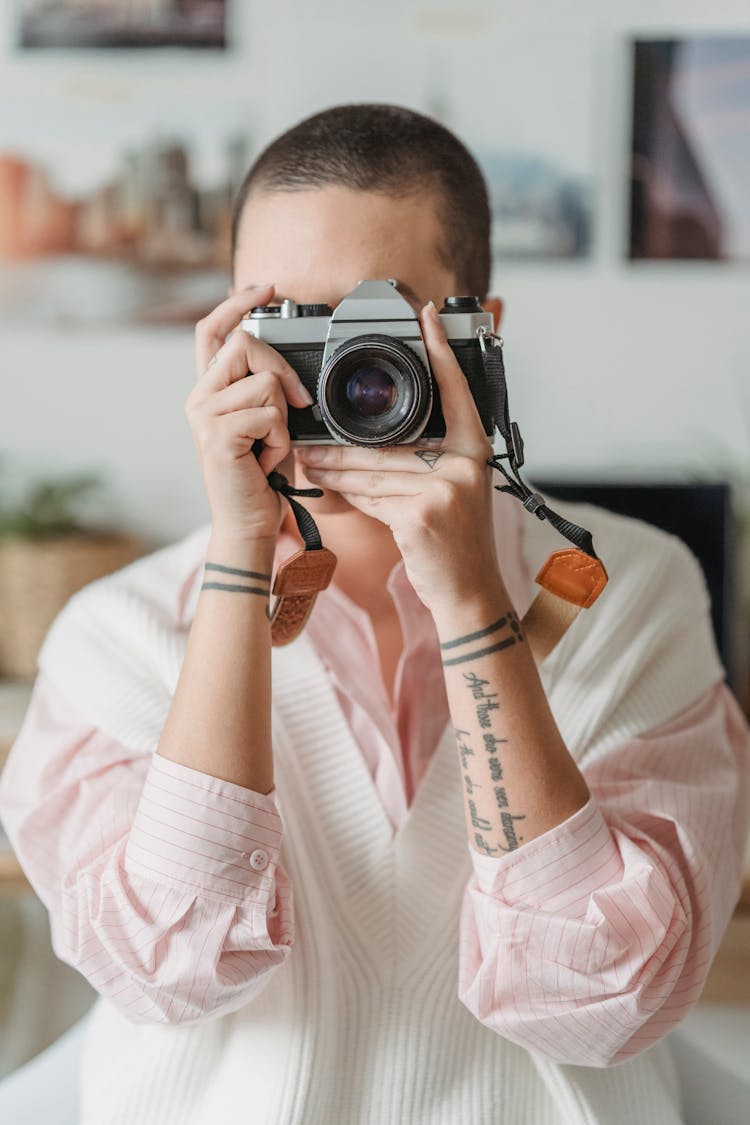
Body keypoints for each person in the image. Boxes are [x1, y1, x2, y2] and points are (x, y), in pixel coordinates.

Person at [1, 104, 748, 1125]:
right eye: (295, 328)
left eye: (384, 328)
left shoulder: (624, 587)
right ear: (230, 333)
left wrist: (474, 605)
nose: (350, 383)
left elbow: (599, 1004)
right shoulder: (116, 633)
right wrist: (237, 554)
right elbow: (165, 975)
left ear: (483, 328)